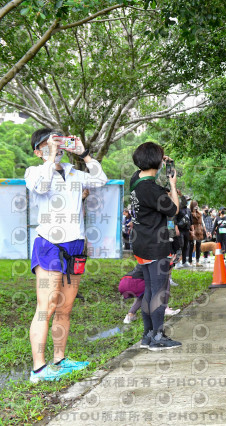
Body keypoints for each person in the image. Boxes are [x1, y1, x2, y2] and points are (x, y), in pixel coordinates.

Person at [25, 129, 107, 382]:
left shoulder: (74, 173)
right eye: (49, 143)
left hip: (75, 246)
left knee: (65, 307)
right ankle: (39, 369)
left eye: (59, 141)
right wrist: (51, 156)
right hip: (49, 244)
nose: (56, 146)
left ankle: (60, 360)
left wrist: (84, 153)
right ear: (38, 151)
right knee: (47, 306)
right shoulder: (34, 171)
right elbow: (41, 186)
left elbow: (101, 179)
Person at [129, 141, 182, 351]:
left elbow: (144, 172)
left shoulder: (136, 180)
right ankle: (158, 336)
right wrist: (173, 185)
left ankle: (148, 335)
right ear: (157, 162)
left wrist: (158, 161)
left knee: (150, 290)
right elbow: (174, 209)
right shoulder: (152, 190)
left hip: (141, 244)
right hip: (156, 245)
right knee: (158, 291)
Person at [189, 200, 205, 266]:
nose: (196, 207)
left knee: (198, 246)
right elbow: (190, 222)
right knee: (191, 246)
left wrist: (203, 229)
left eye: (197, 205)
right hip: (192, 230)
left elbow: (201, 222)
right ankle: (190, 261)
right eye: (195, 205)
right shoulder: (189, 213)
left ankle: (197, 261)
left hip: (199, 231)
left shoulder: (199, 213)